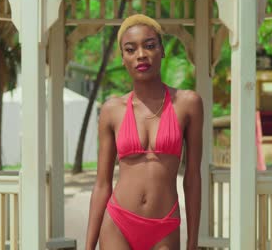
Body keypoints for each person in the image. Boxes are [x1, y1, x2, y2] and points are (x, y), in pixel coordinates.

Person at [85, 14, 203, 250]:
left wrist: (192, 243)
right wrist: (88, 247)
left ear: (162, 50)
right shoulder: (112, 110)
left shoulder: (188, 104)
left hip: (164, 225)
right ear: (123, 58)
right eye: (131, 49)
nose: (141, 54)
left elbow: (193, 177)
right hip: (118, 222)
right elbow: (102, 184)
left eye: (150, 46)